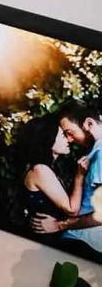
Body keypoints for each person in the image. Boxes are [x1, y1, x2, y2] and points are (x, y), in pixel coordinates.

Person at [32, 101, 102, 254]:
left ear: (89, 124)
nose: (69, 139)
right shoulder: (94, 152)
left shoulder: (100, 153)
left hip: (85, 242)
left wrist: (60, 225)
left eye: (70, 132)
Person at [21, 115, 87, 239]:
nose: (69, 139)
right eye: (62, 135)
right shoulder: (41, 170)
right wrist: (80, 177)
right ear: (48, 140)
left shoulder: (49, 167)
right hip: (45, 237)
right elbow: (72, 210)